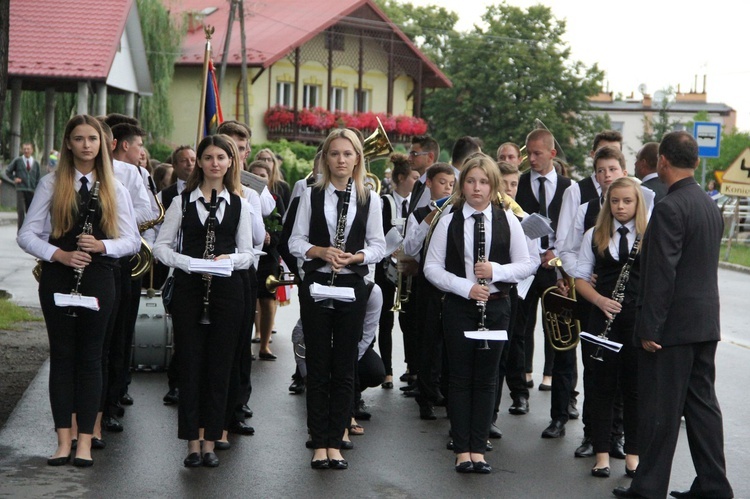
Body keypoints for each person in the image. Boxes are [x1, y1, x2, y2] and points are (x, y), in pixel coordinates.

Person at [613, 131, 734, 499]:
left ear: (663, 161)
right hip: (704, 323)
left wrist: (650, 326)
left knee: (660, 410)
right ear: (695, 162)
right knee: (701, 408)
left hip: (671, 329)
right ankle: (714, 486)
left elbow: (663, 272)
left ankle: (648, 488)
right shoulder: (708, 205)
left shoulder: (669, 206)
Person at [16, 114, 140, 467]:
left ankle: (85, 441)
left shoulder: (115, 187)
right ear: (68, 143)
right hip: (58, 277)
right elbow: (26, 235)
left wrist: (102, 246)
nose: (86, 144)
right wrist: (60, 254)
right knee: (62, 358)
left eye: (93, 138)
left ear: (103, 144)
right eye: (79, 138)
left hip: (99, 278)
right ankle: (62, 441)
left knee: (90, 360)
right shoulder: (51, 183)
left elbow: (131, 240)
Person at [152, 134, 256, 468]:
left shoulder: (240, 204)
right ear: (199, 162)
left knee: (220, 367)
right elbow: (161, 247)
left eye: (221, 158)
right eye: (208, 157)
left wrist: (228, 260)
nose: (215, 163)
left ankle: (211, 440)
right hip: (189, 290)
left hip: (226, 293)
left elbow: (249, 253)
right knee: (191, 365)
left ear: (230, 163)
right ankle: (191, 443)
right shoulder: (183, 202)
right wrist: (186, 262)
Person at [423, 154, 531, 474]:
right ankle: (461, 447)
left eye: (484, 182)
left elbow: (526, 264)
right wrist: (464, 287)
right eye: (470, 181)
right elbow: (431, 267)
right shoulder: (449, 219)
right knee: (459, 377)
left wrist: (495, 270)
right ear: (462, 184)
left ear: (493, 185)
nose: (477, 188)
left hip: (497, 306)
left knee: (487, 378)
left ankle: (478, 447)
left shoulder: (507, 219)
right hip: (460, 306)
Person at [288, 128, 385, 470]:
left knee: (345, 366)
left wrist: (354, 258)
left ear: (358, 158)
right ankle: (319, 440)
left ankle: (336, 440)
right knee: (318, 366)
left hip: (351, 287)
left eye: (348, 153)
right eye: (335, 153)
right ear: (325, 158)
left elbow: (378, 246)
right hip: (316, 285)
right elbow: (295, 242)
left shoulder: (371, 198)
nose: (341, 159)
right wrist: (322, 251)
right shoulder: (310, 194)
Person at [573, 177, 648, 479]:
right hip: (602, 319)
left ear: (637, 203)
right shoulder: (594, 234)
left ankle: (633, 455)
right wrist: (600, 301)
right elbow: (579, 280)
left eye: (627, 201)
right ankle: (602, 455)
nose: (620, 206)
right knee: (600, 387)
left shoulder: (649, 234)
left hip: (636, 323)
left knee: (634, 390)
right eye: (614, 201)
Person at [512, 128, 573, 439]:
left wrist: (559, 260)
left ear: (552, 154)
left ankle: (562, 410)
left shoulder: (568, 187)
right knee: (519, 329)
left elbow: (573, 233)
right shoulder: (519, 184)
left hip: (556, 270)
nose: (531, 159)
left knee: (559, 336)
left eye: (537, 153)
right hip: (526, 269)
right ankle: (520, 392)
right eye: (528, 153)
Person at [375, 153, 419, 389]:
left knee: (409, 318)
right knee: (385, 319)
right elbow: (376, 233)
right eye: (414, 177)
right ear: (401, 177)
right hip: (385, 266)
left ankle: (412, 367)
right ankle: (387, 370)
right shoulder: (383, 202)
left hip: (407, 266)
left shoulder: (417, 202)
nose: (417, 181)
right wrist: (388, 248)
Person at [248, 158, 284, 360]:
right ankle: (251, 337)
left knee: (268, 298)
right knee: (249, 300)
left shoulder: (276, 199)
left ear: (269, 178)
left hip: (268, 256)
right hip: (249, 254)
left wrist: (271, 238)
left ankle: (264, 345)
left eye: (263, 175)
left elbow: (283, 224)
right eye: (255, 175)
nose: (259, 179)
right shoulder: (243, 196)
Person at [6, 142, 42, 230]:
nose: (26, 151)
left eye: (28, 149)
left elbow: (38, 178)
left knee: (31, 212)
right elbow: (8, 171)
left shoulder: (36, 163)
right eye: (24, 149)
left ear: (32, 150)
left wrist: (38, 190)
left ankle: (29, 232)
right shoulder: (17, 161)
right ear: (22, 150)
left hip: (32, 190)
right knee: (21, 211)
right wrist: (14, 178)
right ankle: (20, 232)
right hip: (21, 189)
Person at [408, 135, 441, 212]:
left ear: (430, 157)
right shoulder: (418, 183)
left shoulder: (436, 185)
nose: (409, 158)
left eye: (414, 154)